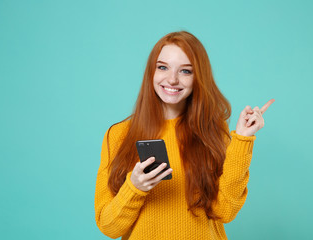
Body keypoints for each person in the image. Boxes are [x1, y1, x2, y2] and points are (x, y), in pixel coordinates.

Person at [94, 31, 274, 239]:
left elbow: (225, 211)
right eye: (163, 67)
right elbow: (109, 227)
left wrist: (242, 139)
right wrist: (134, 188)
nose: (172, 79)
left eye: (186, 71)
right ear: (151, 72)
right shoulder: (118, 135)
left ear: (198, 77)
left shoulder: (213, 132)